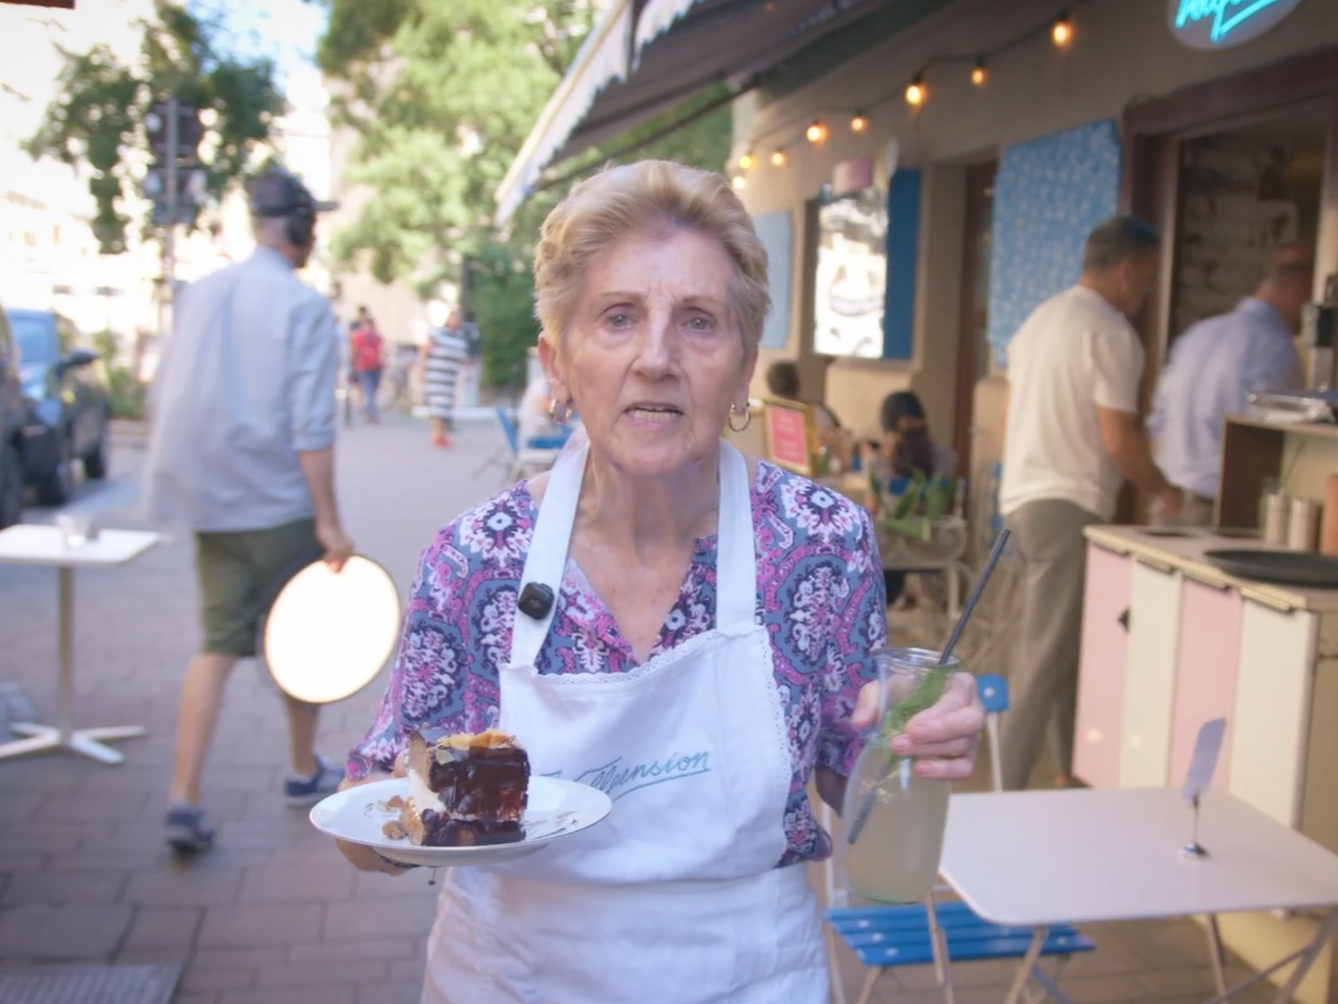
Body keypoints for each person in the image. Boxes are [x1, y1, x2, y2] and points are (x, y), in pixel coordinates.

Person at [337, 160, 984, 1003]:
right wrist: (380, 826)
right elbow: (379, 809)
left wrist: (913, 733)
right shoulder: (477, 559)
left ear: (744, 367)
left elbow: (846, 768)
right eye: (617, 318)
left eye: (699, 322)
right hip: (512, 979)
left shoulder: (820, 543)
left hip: (752, 979)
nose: (656, 358)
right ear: (557, 363)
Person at [142, 169, 355, 853]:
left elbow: (166, 391)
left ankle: (183, 797)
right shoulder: (303, 306)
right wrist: (329, 522)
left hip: (210, 503)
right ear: (303, 228)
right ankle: (302, 769)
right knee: (299, 643)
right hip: (280, 502)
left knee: (216, 642)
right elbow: (311, 426)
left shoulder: (201, 292)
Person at [999, 216, 1181, 792]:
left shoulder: (1039, 321)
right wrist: (1165, 490)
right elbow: (1118, 440)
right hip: (1067, 504)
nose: (1147, 291)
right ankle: (1004, 788)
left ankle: (1070, 772)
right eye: (1147, 277)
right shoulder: (1110, 334)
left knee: (1065, 649)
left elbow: (1011, 415)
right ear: (1127, 271)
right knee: (1044, 656)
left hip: (1021, 498)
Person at [1149, 245, 1312, 526]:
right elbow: (1273, 441)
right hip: (1219, 509)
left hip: (1169, 500)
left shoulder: (1200, 333)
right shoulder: (1274, 347)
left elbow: (1157, 421)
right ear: (1299, 290)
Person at [867, 391, 957, 609]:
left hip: (891, 557)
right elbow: (950, 505)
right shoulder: (948, 456)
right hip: (935, 548)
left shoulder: (878, 463)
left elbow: (872, 510)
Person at [764, 360, 852, 466]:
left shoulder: (760, 415)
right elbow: (842, 446)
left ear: (769, 385)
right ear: (798, 384)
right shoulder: (819, 413)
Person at [419, 310, 467, 448]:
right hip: (435, 376)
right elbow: (425, 350)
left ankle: (442, 434)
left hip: (449, 378)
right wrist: (422, 369)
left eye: (458, 319)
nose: (456, 321)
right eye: (454, 318)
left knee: (445, 407)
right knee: (437, 406)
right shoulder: (438, 333)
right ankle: (437, 435)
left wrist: (467, 371)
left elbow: (463, 357)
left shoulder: (458, 338)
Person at [351, 314, 385, 424]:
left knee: (369, 391)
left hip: (364, 366)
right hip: (376, 366)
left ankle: (371, 413)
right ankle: (371, 411)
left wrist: (352, 364)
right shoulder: (378, 337)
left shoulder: (359, 336)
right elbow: (383, 352)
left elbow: (355, 351)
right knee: (372, 392)